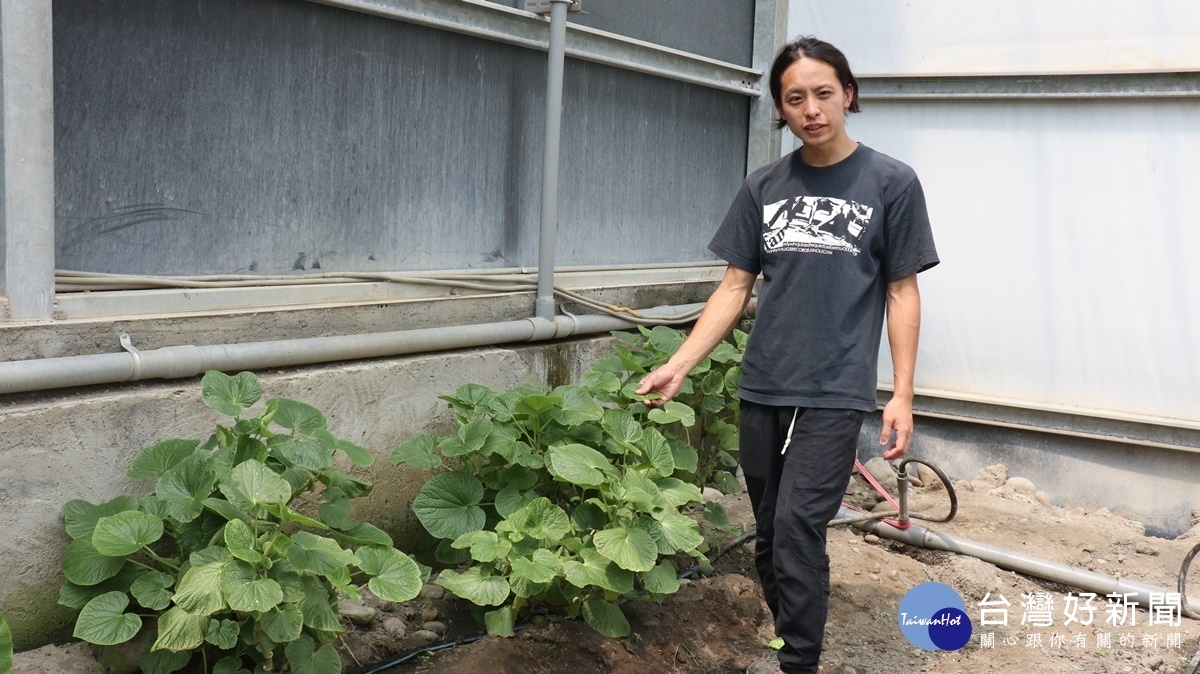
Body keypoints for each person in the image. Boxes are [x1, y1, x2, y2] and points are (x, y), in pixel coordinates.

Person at [635, 36, 939, 674]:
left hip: (835, 388)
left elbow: (901, 291)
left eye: (824, 93)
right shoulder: (764, 185)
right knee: (771, 535)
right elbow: (733, 287)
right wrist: (680, 362)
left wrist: (902, 394)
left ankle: (798, 662)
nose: (812, 109)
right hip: (764, 383)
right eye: (794, 97)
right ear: (781, 107)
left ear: (848, 94)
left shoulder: (892, 183)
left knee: (800, 526)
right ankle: (787, 641)